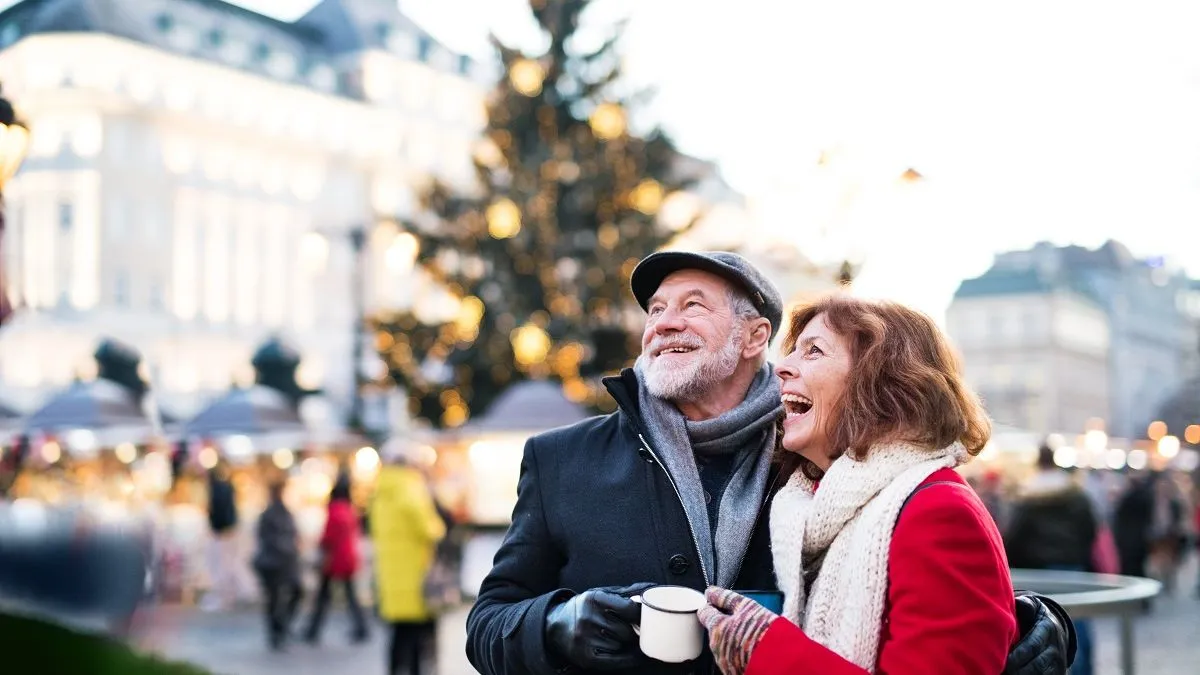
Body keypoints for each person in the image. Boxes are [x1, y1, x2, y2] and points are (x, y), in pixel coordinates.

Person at [466, 251, 785, 675]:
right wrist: (556, 624)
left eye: (693, 305)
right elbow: (486, 625)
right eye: (656, 309)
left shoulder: (806, 455)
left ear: (754, 337)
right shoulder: (559, 459)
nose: (663, 323)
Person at [700, 295, 1021, 675]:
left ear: (882, 382)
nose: (781, 367)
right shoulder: (810, 508)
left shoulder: (940, 512)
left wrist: (768, 650)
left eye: (813, 351)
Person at [1003, 444, 1098, 675]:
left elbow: (1014, 535)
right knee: (1080, 625)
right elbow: (1090, 528)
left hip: (1037, 570)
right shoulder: (1075, 493)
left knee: (1047, 628)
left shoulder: (1027, 495)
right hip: (1072, 565)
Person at [370, 440, 447, 675]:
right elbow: (431, 529)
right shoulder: (411, 488)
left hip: (391, 576)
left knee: (397, 632)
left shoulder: (380, 493)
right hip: (415, 574)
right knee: (416, 634)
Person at [303, 474, 369, 643]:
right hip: (348, 558)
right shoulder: (349, 510)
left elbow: (328, 536)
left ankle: (313, 630)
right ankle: (361, 627)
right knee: (349, 596)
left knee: (324, 596)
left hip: (333, 559)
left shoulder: (334, 510)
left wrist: (320, 547)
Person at [253, 479, 303, 651]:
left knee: (289, 594)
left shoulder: (283, 512)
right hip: (275, 562)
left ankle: (281, 627)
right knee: (274, 599)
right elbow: (267, 538)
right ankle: (277, 632)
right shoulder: (270, 514)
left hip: (284, 561)